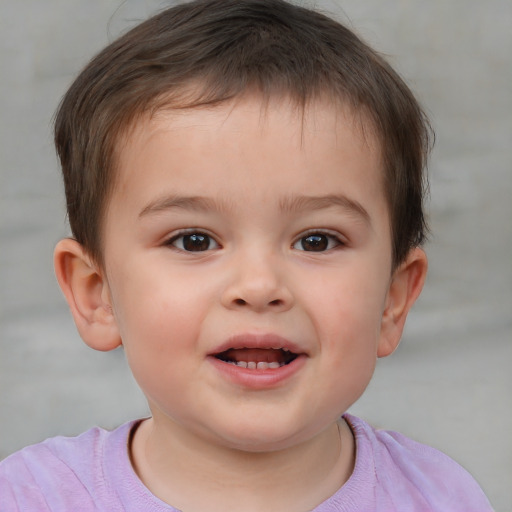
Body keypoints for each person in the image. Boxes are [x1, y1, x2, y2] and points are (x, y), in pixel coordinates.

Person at [0, 0, 493, 510]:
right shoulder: (29, 497)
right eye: (194, 240)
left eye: (316, 240)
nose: (259, 286)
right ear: (96, 295)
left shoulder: (441, 498)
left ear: (393, 299)